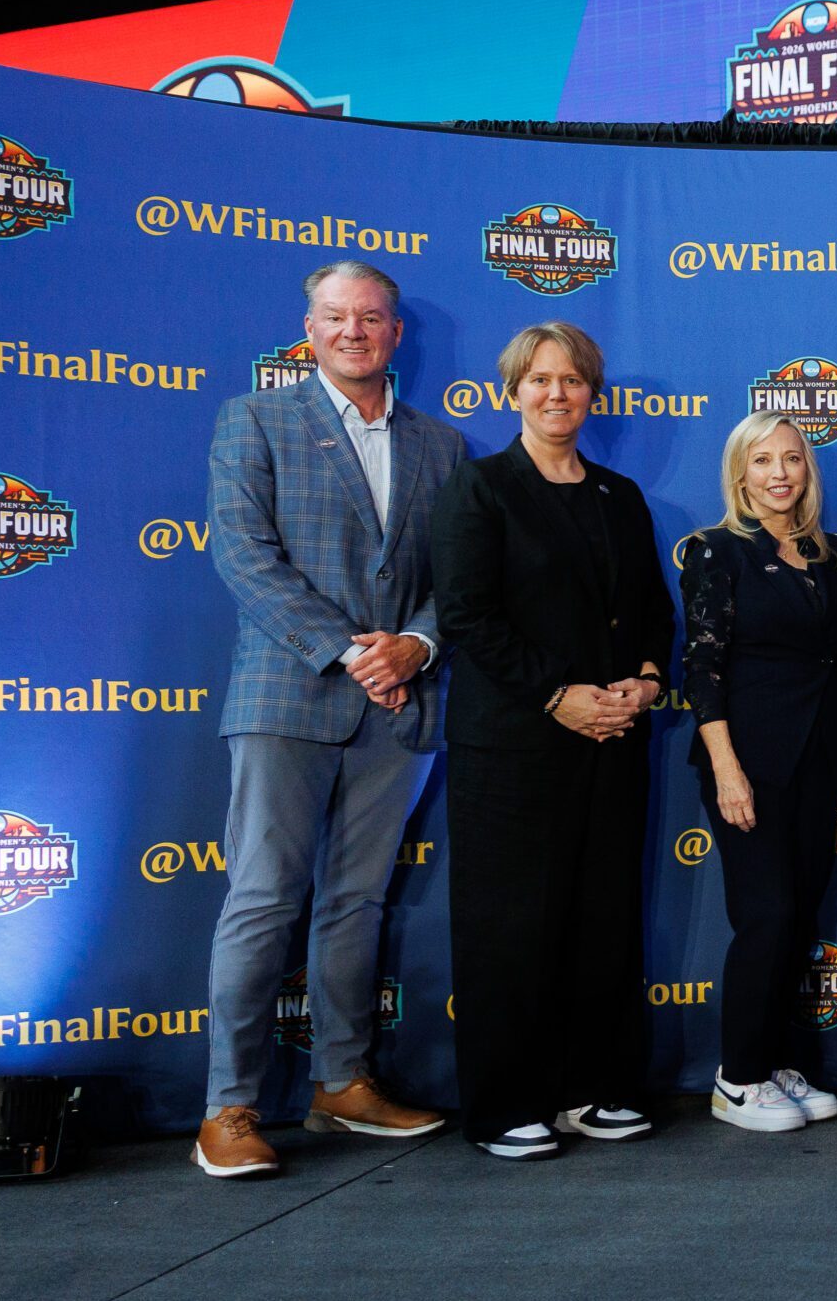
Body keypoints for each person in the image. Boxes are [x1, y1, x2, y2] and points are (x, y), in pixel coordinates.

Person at [195, 261, 462, 1177]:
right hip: (288, 696)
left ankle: (343, 1083)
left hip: (402, 706)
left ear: (396, 333)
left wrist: (417, 646)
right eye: (336, 316)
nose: (354, 331)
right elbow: (243, 556)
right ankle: (227, 1107)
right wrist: (351, 651)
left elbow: (459, 579)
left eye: (372, 317)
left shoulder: (442, 446)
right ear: (308, 329)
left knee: (357, 903)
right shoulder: (255, 419)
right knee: (264, 898)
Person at [430, 322, 673, 1160]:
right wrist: (556, 695)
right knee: (511, 927)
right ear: (513, 392)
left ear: (592, 393)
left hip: (613, 739)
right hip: (512, 747)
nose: (556, 393)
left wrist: (646, 681)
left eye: (571, 380)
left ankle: (595, 1089)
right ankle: (506, 1106)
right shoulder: (480, 487)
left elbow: (651, 610)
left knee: (603, 919)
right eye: (539, 379)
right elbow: (468, 616)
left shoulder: (619, 495)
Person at [680, 412, 837, 1133]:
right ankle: (737, 1078)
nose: (779, 473)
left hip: (821, 759)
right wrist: (727, 770)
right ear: (741, 473)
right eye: (762, 461)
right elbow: (703, 667)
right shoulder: (717, 550)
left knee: (800, 917)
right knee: (766, 915)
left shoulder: (832, 554)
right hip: (748, 761)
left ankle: (776, 1061)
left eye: (791, 459)